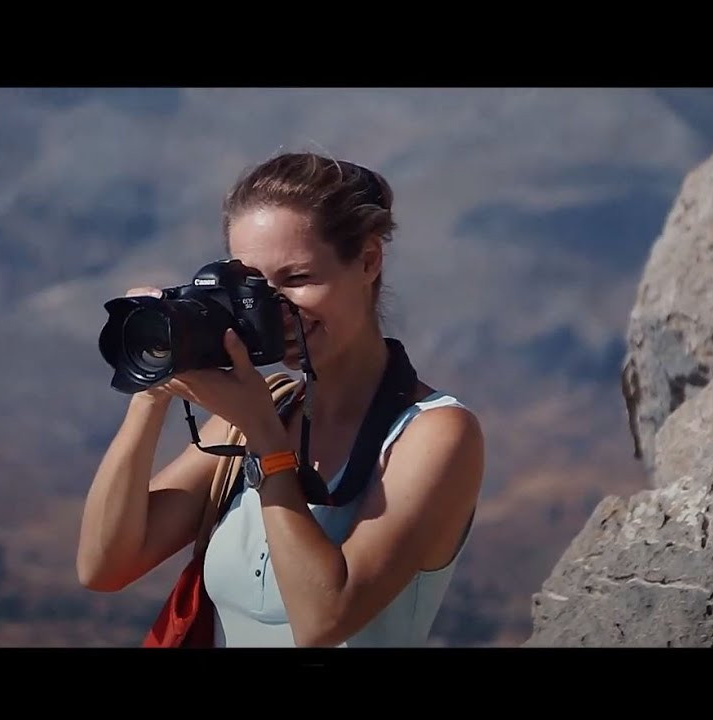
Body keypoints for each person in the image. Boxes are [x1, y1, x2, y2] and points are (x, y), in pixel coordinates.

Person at [76, 151, 485, 647]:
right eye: (254, 287)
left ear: (368, 261)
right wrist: (154, 386)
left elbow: (324, 619)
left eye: (296, 280)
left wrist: (268, 444)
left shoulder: (434, 433)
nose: (276, 311)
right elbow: (104, 566)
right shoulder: (265, 409)